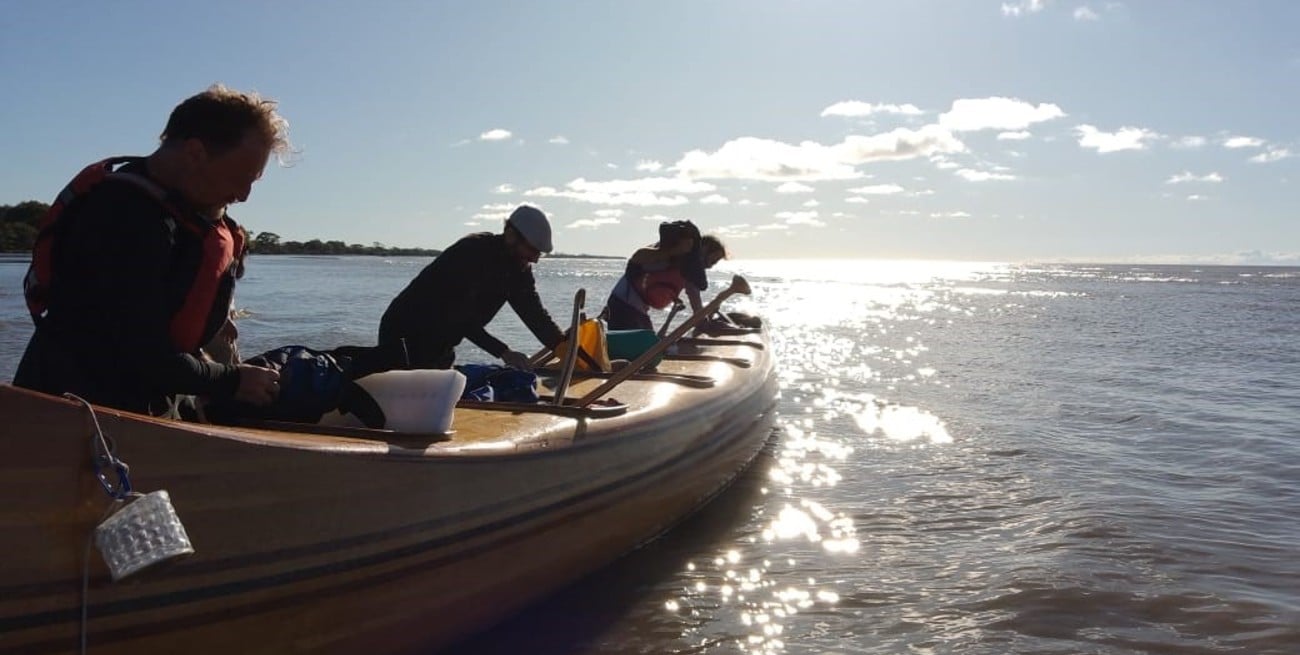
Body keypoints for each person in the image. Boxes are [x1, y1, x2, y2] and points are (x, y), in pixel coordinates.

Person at [14, 84, 288, 417]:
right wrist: (234, 380)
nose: (244, 195)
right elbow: (144, 356)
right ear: (195, 153)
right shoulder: (121, 218)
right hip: (76, 420)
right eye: (242, 177)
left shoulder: (180, 211)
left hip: (140, 408)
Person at [378, 205, 567, 371]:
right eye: (532, 250)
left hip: (443, 343)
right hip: (403, 335)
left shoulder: (519, 269)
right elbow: (457, 315)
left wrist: (568, 350)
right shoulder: (472, 252)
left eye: (539, 253)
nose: (535, 259)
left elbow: (536, 316)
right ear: (511, 235)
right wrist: (504, 352)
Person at [603, 221, 728, 331]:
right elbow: (636, 258)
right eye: (713, 260)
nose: (711, 266)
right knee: (644, 350)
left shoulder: (690, 268)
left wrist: (704, 320)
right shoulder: (669, 251)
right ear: (704, 248)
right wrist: (674, 251)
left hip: (638, 310)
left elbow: (694, 297)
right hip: (622, 305)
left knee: (650, 345)